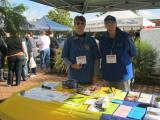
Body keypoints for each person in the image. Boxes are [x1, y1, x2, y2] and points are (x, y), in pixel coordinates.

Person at [99, 15, 137, 91]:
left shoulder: (125, 37)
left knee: (123, 98)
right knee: (108, 98)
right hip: (108, 75)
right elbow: (101, 55)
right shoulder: (102, 38)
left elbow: (133, 52)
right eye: (107, 24)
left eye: (112, 24)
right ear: (105, 25)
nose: (110, 26)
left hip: (123, 75)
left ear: (116, 24)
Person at [62, 16, 100, 84]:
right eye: (78, 23)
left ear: (85, 25)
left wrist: (95, 75)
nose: (80, 25)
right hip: (73, 77)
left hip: (88, 77)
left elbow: (97, 59)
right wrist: (71, 65)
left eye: (82, 23)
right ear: (74, 25)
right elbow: (64, 57)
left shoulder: (91, 40)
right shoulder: (69, 40)